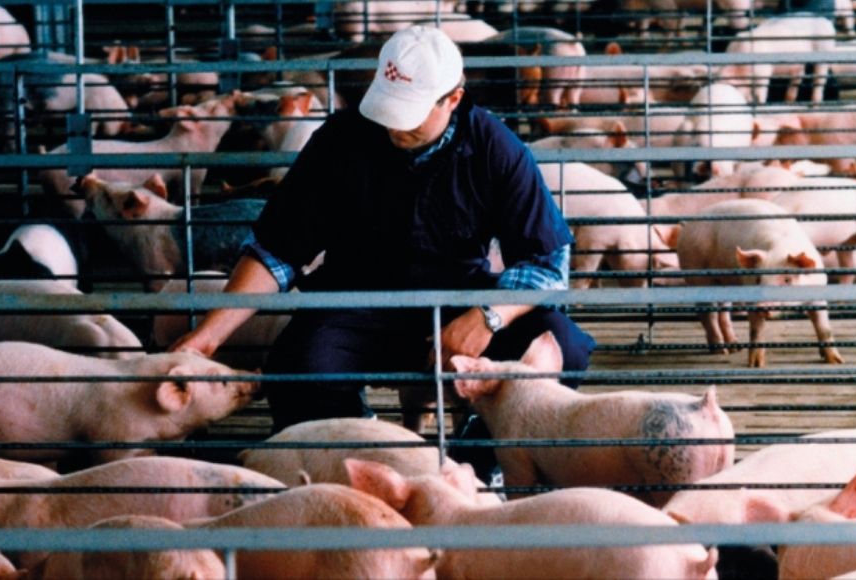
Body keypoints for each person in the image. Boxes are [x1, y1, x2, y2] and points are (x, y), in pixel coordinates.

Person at [171, 26, 595, 442]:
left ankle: (482, 454)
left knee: (560, 345)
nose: (393, 126)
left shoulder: (494, 147)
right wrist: (208, 337)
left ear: (452, 99)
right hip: (354, 302)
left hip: (457, 301)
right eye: (387, 107)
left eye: (409, 112)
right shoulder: (340, 139)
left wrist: (488, 315)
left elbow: (545, 260)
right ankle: (357, 443)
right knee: (298, 371)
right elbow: (276, 249)